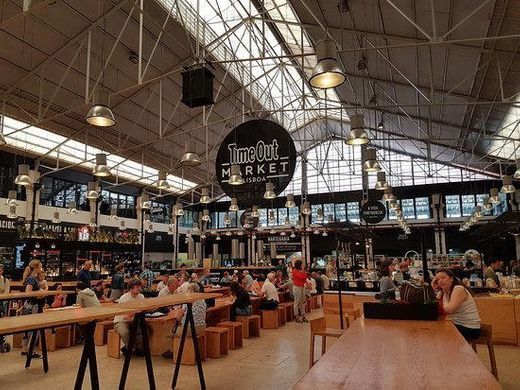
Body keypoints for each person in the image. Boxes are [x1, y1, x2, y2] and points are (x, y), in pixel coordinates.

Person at [432, 269, 481, 341]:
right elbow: (433, 307)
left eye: (443, 278)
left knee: (437, 333)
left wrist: (441, 301)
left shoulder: (458, 289)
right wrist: (433, 288)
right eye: (438, 279)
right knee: (432, 330)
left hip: (469, 327)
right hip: (454, 324)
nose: (440, 281)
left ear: (451, 278)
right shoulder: (442, 291)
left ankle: (452, 352)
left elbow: (450, 309)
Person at [114, 279, 145, 355]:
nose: (139, 289)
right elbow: (127, 316)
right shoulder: (124, 298)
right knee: (125, 332)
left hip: (134, 320)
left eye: (140, 287)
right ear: (131, 287)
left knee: (145, 331)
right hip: (121, 321)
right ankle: (131, 348)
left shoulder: (141, 296)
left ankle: (137, 348)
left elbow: (142, 309)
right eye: (137, 286)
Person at [21, 260, 44, 358]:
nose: (41, 268)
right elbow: (28, 293)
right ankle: (30, 350)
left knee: (29, 329)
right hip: (33, 306)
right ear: (36, 267)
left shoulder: (32, 278)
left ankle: (25, 349)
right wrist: (39, 294)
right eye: (40, 266)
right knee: (34, 329)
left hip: (32, 305)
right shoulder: (32, 279)